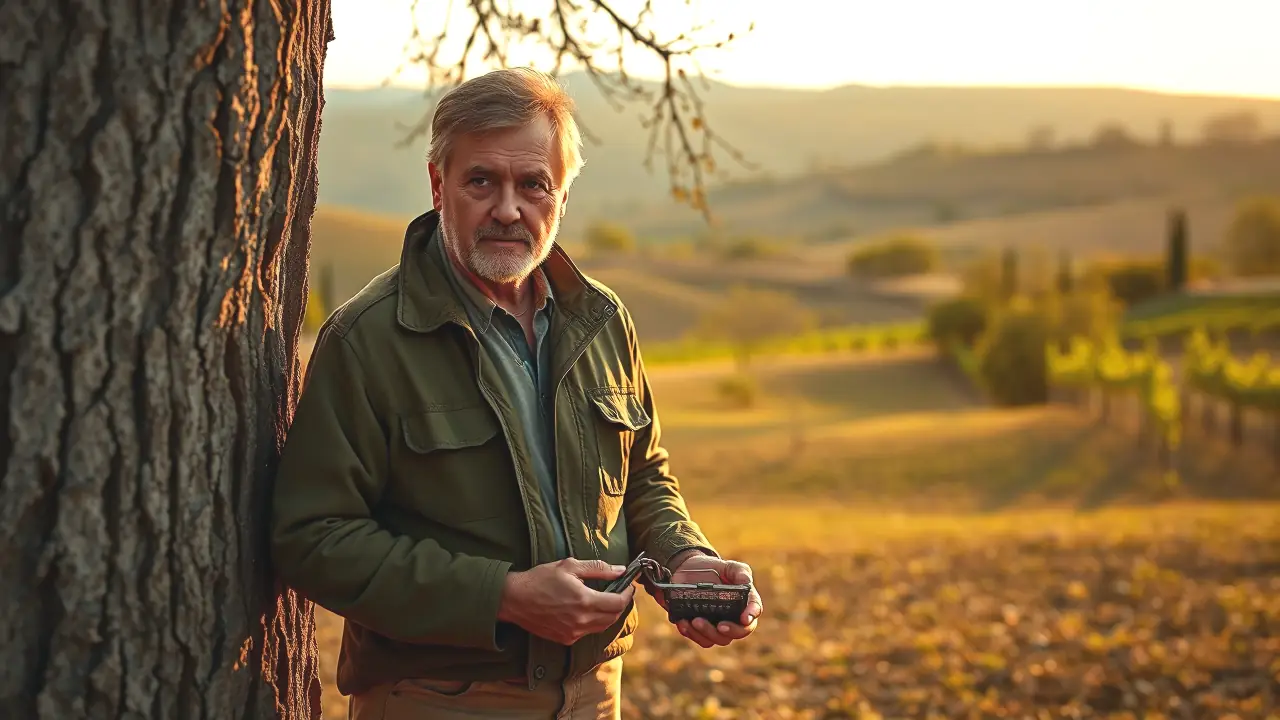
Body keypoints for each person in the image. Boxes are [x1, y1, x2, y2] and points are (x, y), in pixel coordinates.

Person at [270, 67, 763, 720]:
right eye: (483, 181)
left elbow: (642, 474)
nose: (509, 209)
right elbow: (311, 537)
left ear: (562, 196)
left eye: (534, 185)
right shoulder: (369, 339)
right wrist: (500, 595)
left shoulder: (603, 321)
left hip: (595, 695)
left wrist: (684, 557)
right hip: (437, 702)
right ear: (439, 185)